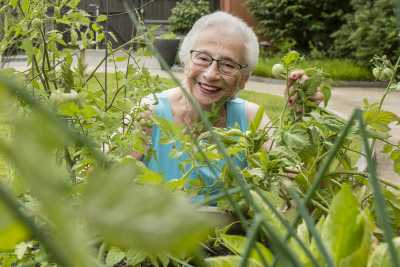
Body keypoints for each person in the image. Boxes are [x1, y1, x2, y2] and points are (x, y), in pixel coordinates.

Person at [135, 11, 316, 192]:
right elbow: (109, 179)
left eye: (228, 65)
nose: (211, 74)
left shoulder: (251, 118)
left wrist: (302, 116)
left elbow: (298, 183)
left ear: (244, 79)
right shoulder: (149, 112)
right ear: (185, 61)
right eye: (203, 58)